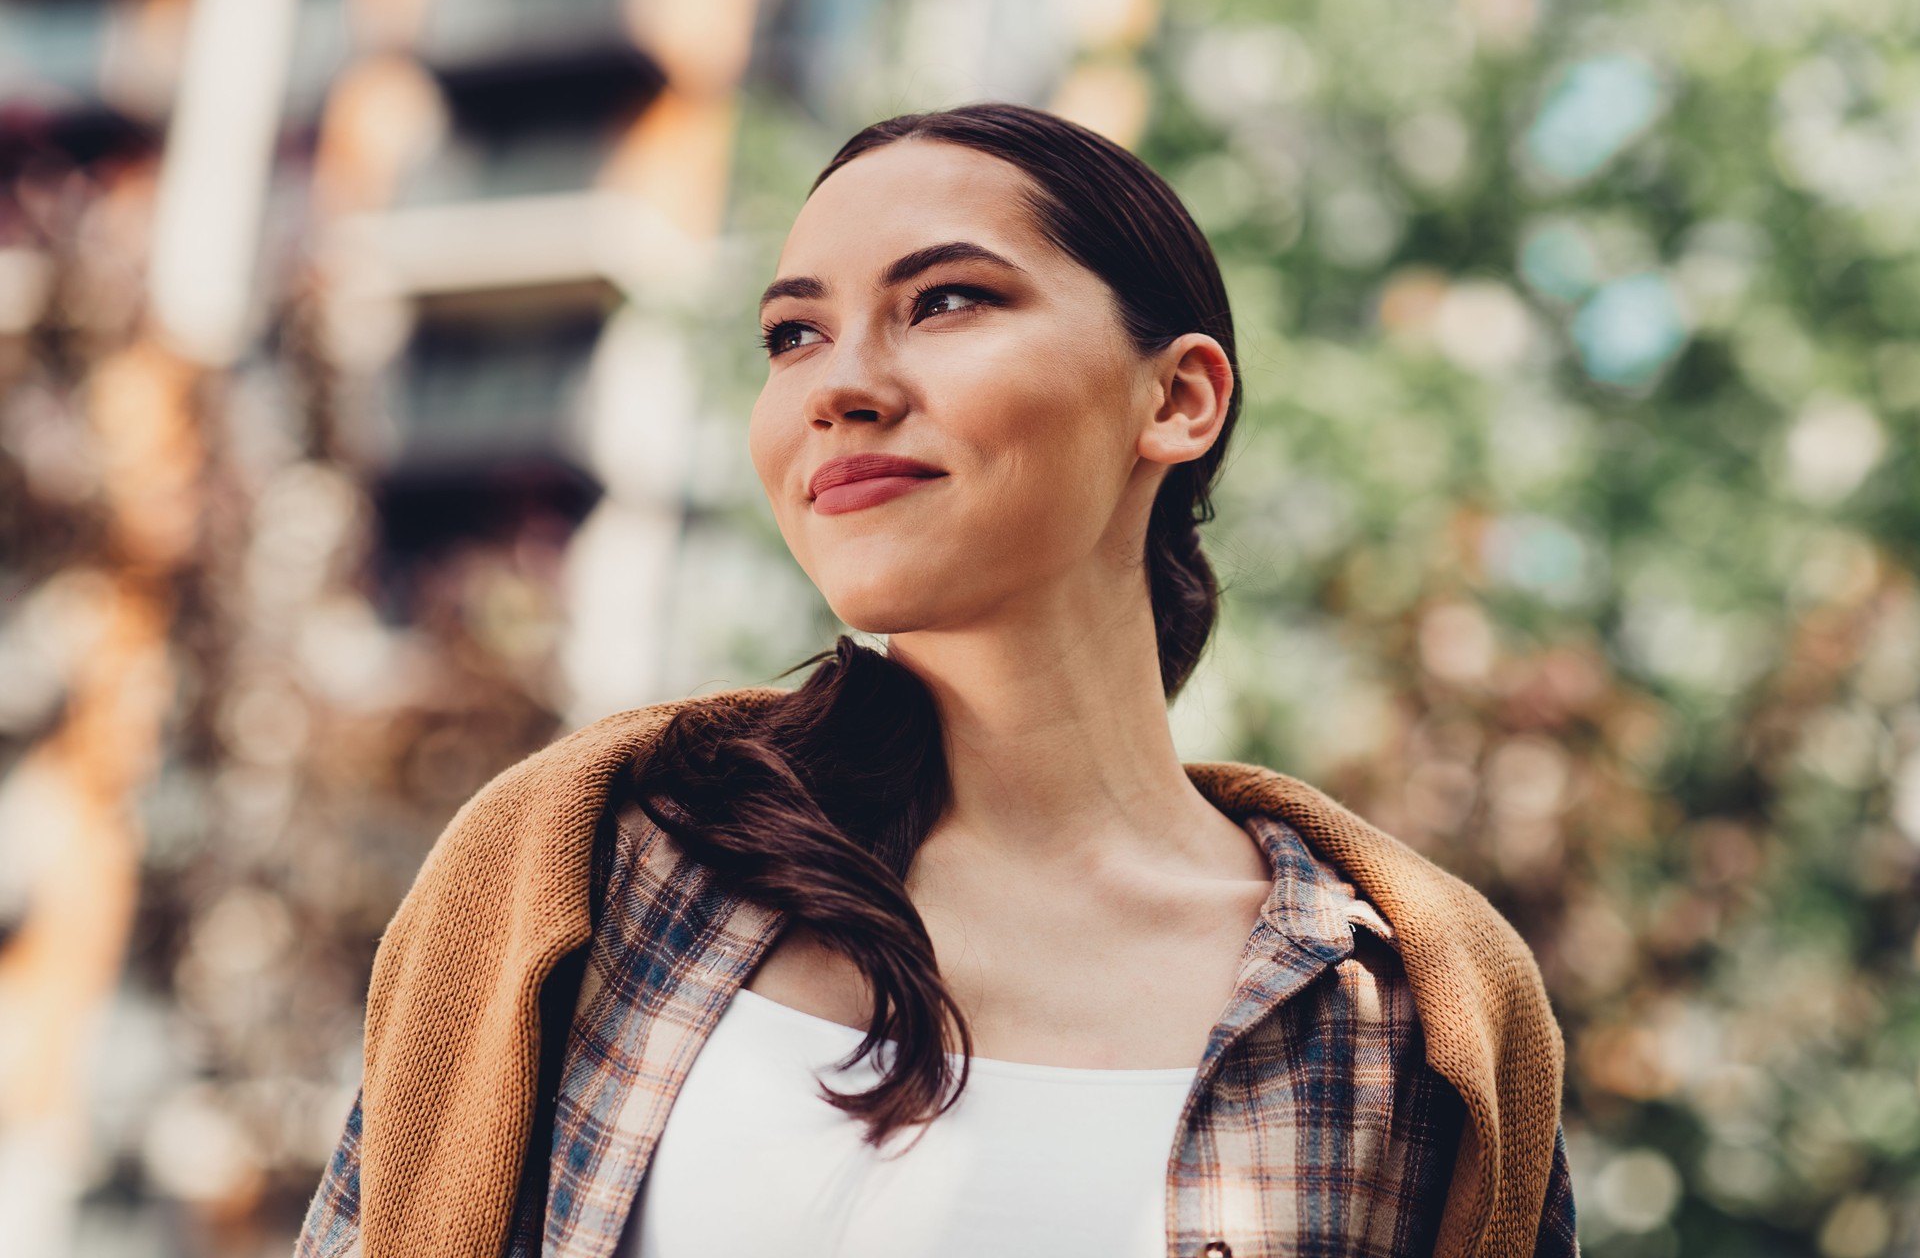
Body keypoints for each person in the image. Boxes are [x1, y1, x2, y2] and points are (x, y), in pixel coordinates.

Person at [295, 102, 1578, 1258]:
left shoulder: (1403, 1008)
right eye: (794, 333)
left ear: (1179, 398)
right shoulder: (595, 860)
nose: (840, 386)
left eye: (947, 300)